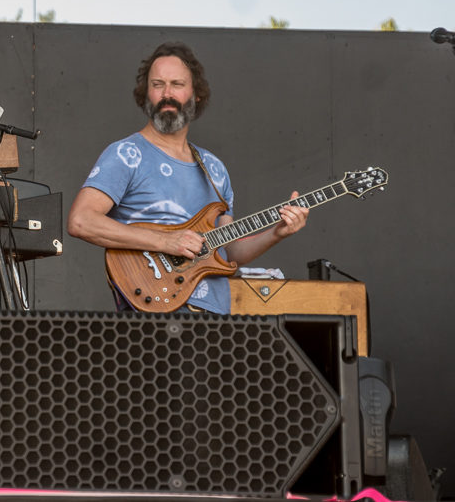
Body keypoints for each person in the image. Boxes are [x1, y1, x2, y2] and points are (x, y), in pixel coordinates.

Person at [66, 41, 308, 313]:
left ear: (196, 95)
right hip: (153, 315)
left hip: (213, 318)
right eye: (157, 85)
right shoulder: (125, 153)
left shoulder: (214, 168)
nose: (167, 94)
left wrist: (277, 232)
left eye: (177, 84)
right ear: (146, 94)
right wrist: (165, 241)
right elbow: (81, 221)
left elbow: (229, 254)